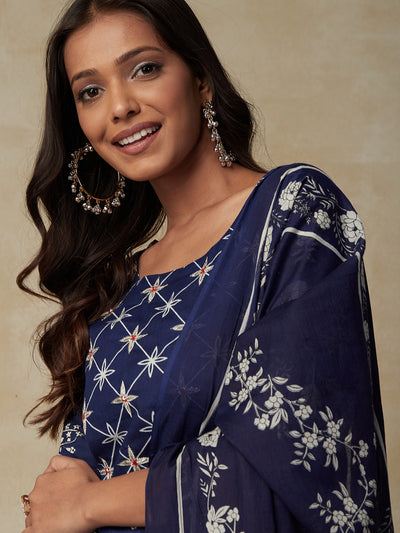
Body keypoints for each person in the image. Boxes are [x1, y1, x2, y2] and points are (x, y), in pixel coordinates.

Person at [18, 0, 392, 531]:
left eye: (144, 68)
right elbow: (70, 478)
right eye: (90, 91)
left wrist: (88, 504)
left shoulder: (291, 213)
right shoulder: (118, 281)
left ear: (201, 79)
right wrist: (65, 501)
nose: (119, 107)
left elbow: (305, 458)